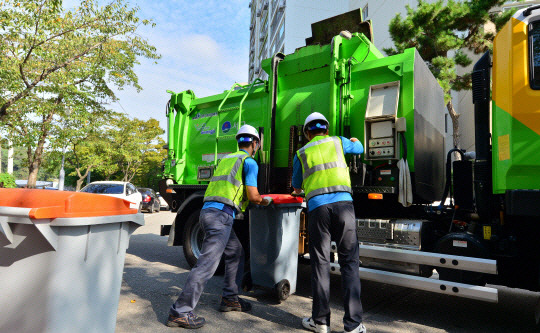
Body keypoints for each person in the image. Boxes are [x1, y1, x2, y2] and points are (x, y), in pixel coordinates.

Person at [167, 124, 272, 329]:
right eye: (256, 144)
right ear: (254, 143)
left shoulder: (227, 159)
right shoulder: (249, 162)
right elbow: (253, 196)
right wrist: (265, 201)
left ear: (239, 141)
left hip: (207, 212)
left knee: (236, 251)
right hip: (221, 215)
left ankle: (230, 298)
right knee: (207, 264)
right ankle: (180, 312)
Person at [292, 112, 366, 333]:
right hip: (344, 206)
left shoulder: (301, 152)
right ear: (326, 128)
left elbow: (297, 186)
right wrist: (354, 140)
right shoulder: (338, 141)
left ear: (307, 133)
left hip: (317, 210)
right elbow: (360, 148)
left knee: (320, 264)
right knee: (349, 262)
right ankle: (353, 325)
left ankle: (321, 322)